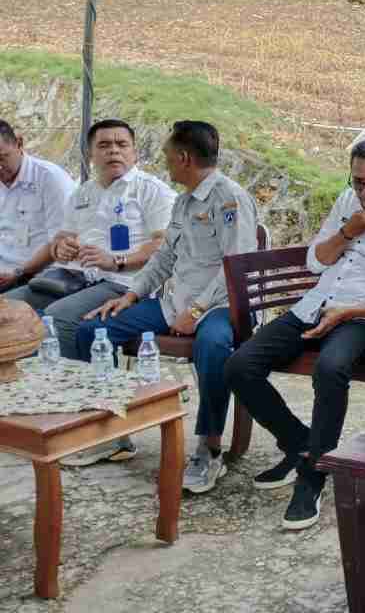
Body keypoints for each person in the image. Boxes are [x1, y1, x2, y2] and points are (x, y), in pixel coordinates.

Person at [226, 139, 365, 530]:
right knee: (240, 365)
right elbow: (315, 261)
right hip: (318, 304)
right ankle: (305, 447)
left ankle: (311, 477)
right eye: (358, 182)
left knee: (331, 367)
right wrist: (349, 229)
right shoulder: (348, 203)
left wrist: (349, 312)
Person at [73, 121, 258, 492]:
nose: (166, 163)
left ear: (185, 158)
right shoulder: (185, 200)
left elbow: (236, 267)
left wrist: (197, 311)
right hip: (177, 302)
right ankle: (115, 432)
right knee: (93, 330)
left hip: (224, 304)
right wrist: (132, 295)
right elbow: (164, 258)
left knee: (213, 345)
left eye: (168, 156)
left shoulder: (229, 199)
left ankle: (209, 447)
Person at [6, 120, 177, 388]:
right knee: (8, 309)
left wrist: (116, 261)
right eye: (104, 145)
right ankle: (21, 393)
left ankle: (78, 399)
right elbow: (62, 239)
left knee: (58, 316)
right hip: (75, 278)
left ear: (135, 152)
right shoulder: (83, 192)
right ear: (90, 154)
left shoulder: (151, 190)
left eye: (122, 145)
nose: (114, 151)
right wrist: (61, 248)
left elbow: (164, 245)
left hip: (124, 284)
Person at [0, 119, 75, 293]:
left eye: (2, 158)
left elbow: (60, 241)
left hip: (39, 275)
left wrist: (19, 272)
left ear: (19, 143)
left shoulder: (51, 179)